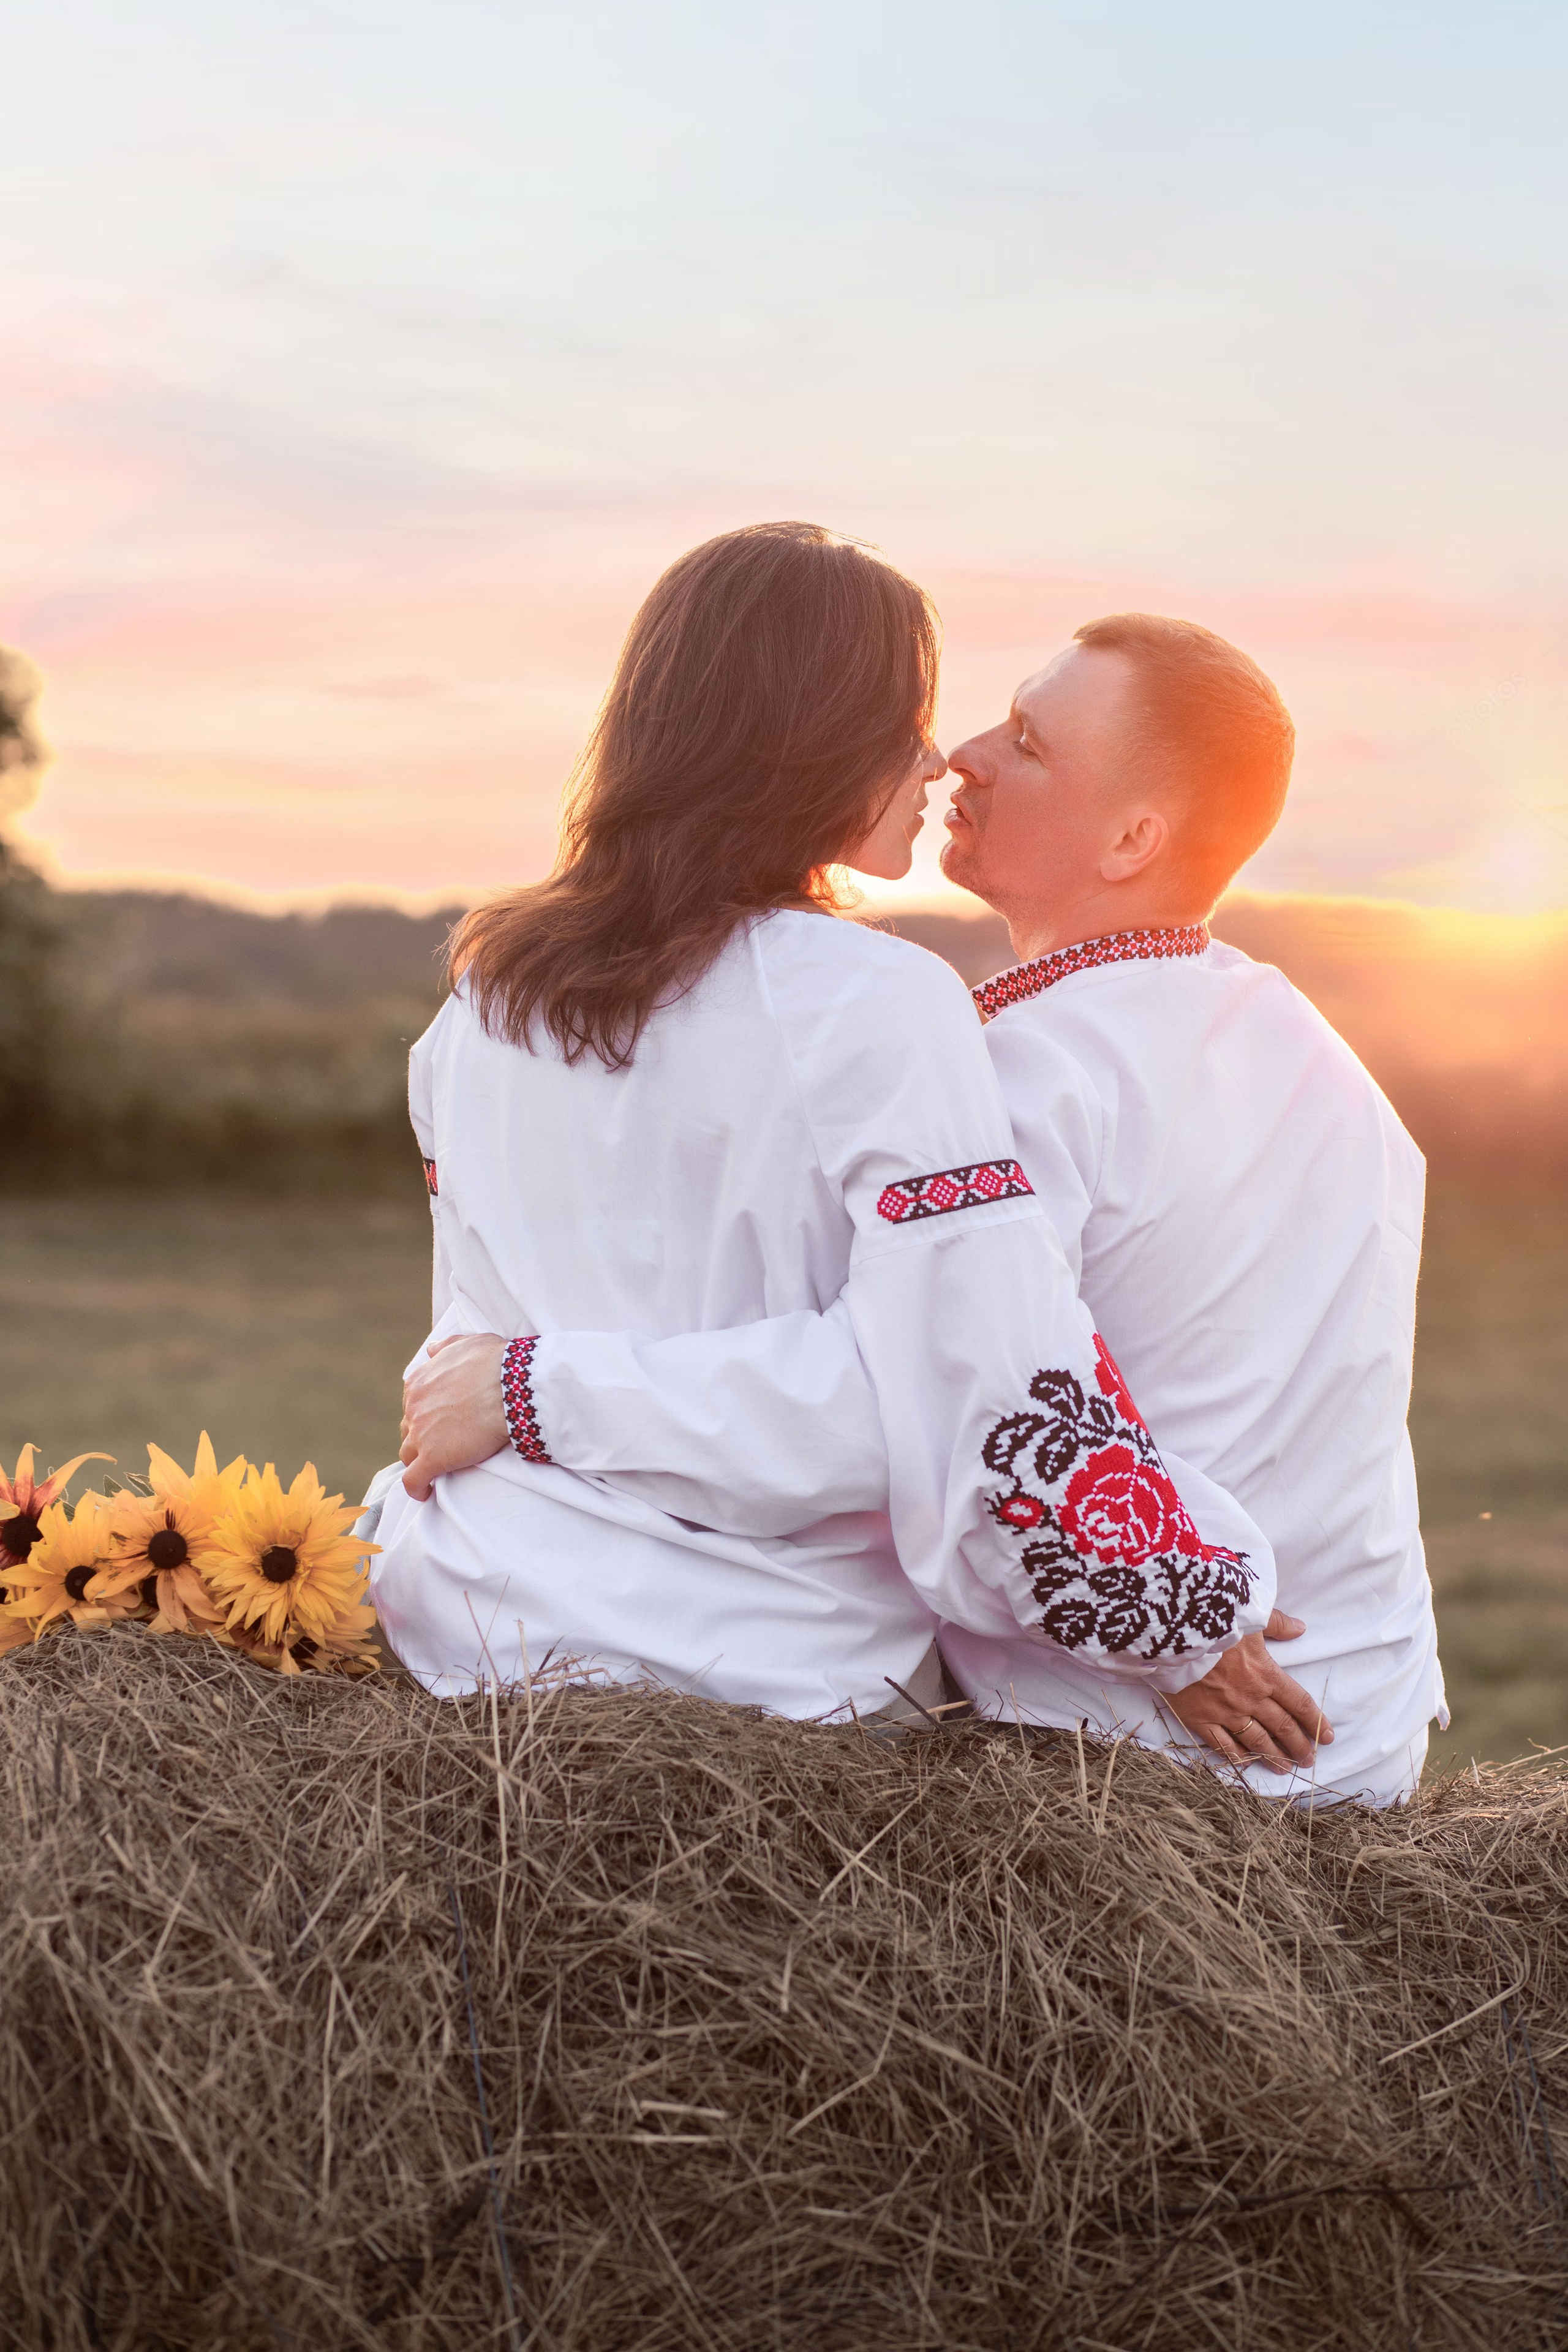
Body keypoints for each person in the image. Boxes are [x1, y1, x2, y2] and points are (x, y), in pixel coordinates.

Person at [404, 607, 1442, 1804]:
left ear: (1132, 839)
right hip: (1366, 1712)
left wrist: (525, 1388)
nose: (963, 759)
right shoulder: (1323, 1061)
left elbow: (923, 1401)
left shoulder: (1018, 1074)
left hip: (1144, 1732)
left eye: (1028, 744)